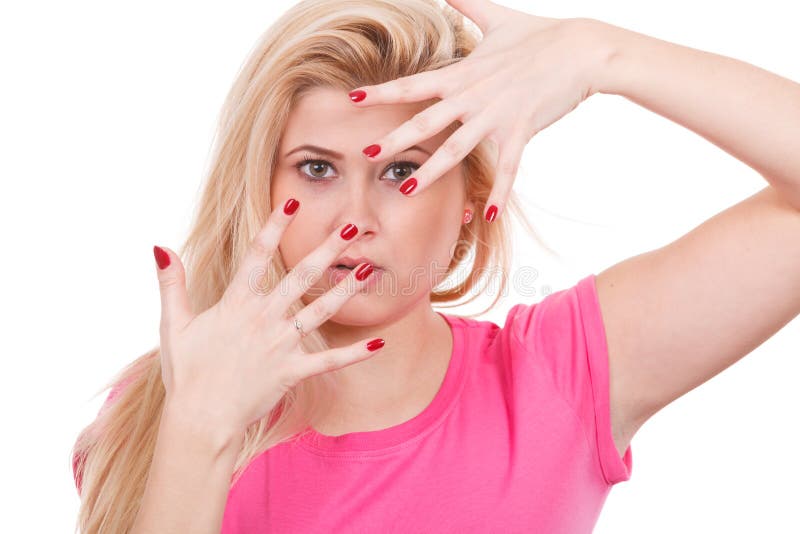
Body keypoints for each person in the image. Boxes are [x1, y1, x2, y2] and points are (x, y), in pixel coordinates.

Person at [71, 0, 800, 532]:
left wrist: (601, 53)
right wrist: (199, 427)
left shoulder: (559, 377)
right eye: (317, 168)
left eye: (401, 171)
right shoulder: (161, 408)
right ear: (259, 187)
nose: (353, 216)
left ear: (468, 200)